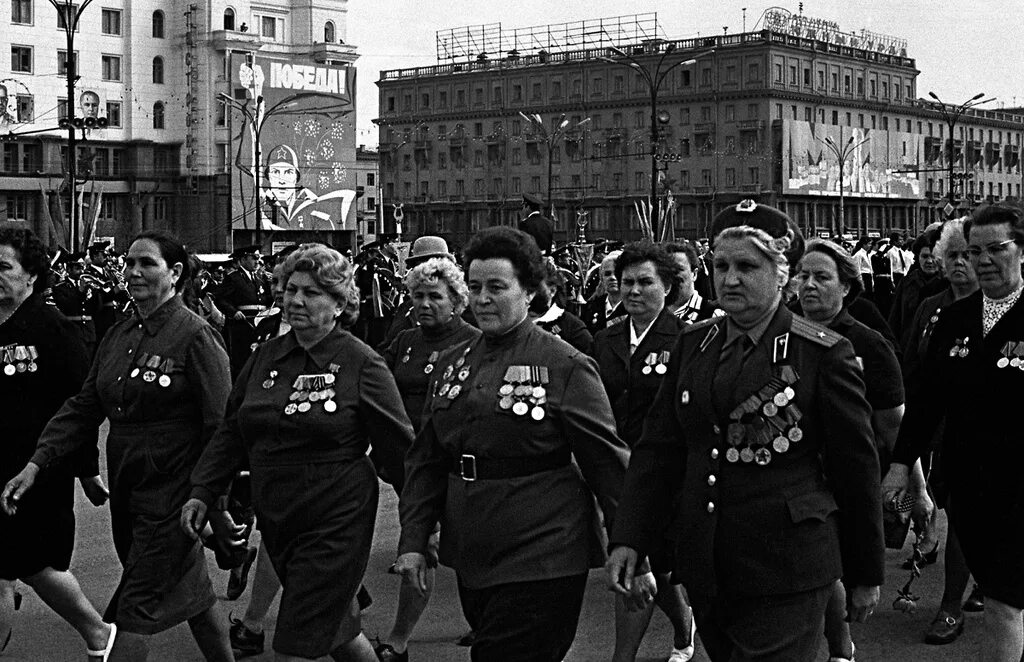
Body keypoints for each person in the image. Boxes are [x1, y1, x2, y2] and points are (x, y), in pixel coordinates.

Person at [607, 201, 884, 661]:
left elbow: (855, 468)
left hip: (787, 563)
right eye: (720, 265)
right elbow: (660, 450)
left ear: (782, 274)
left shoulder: (821, 354)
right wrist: (631, 535)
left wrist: (865, 572)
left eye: (747, 266)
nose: (730, 279)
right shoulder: (695, 344)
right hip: (707, 559)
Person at [394, 226, 630, 661]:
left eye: (497, 287)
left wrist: (631, 544)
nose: (483, 298)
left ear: (529, 291)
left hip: (545, 547)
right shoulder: (452, 362)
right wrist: (413, 540)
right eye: (476, 286)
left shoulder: (565, 364)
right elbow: (427, 459)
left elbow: (607, 465)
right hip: (474, 547)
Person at [3, 230, 235, 661]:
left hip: (176, 494)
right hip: (130, 488)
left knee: (132, 611)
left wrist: (214, 501)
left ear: (175, 273)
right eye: (129, 263)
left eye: (147, 264)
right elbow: (83, 406)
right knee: (196, 597)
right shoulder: (120, 335)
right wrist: (37, 463)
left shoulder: (196, 336)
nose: (133, 272)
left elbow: (221, 427)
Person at [182, 243, 414, 661]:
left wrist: (420, 525)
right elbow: (233, 431)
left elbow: (400, 452)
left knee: (295, 641)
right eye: (291, 289)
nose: (296, 300)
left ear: (340, 303)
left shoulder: (362, 363)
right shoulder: (266, 357)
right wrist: (203, 490)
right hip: (280, 515)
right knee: (338, 631)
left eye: (311, 293)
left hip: (336, 517)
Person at [884, 202, 1024, 662]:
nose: (983, 260)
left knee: (1005, 601)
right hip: (969, 485)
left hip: (1020, 487)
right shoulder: (953, 320)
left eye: (996, 249)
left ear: (1021, 251)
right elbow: (926, 402)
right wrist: (902, 464)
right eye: (973, 250)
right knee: (1003, 597)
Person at [794, 239, 911, 662]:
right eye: (803, 275)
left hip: (849, 478)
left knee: (836, 569)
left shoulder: (868, 344)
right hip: (797, 478)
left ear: (846, 286)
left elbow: (893, 427)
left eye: (822, 277)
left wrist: (914, 491)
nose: (808, 285)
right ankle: (839, 647)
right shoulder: (780, 335)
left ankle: (841, 648)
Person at [0, 228, 115, 661]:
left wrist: (87, 469)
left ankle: (97, 630)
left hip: (36, 467)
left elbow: (81, 405)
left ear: (31, 275)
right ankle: (98, 633)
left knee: (26, 565)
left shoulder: (52, 330)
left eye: (4, 267)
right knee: (18, 567)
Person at [591, 241, 695, 662]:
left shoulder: (689, 338)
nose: (632, 291)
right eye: (625, 282)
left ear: (667, 287)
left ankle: (684, 628)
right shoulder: (605, 338)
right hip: (619, 469)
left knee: (663, 565)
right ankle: (626, 656)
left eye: (645, 283)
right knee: (635, 560)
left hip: (670, 472)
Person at [375, 257, 481, 661]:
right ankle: (400, 639)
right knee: (423, 544)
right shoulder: (404, 342)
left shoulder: (474, 342)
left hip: (455, 464)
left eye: (435, 296)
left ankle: (476, 623)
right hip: (410, 465)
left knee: (458, 547)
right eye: (417, 296)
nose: (424, 304)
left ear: (457, 300)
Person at [899, 217, 982, 646]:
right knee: (941, 503)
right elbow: (912, 369)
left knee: (967, 517)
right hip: (937, 428)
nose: (960, 263)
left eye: (969, 255)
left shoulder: (999, 306)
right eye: (952, 255)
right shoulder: (932, 307)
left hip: (985, 433)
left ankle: (951, 607)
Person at [216, 245, 271, 377]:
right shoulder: (233, 278)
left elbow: (267, 299)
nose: (257, 261)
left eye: (258, 258)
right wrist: (233, 312)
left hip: (260, 323)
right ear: (243, 259)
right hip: (242, 324)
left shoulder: (260, 278)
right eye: (254, 258)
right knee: (242, 359)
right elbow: (220, 299)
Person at [888, 230, 942, 348]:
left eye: (933, 256)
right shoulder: (906, 282)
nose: (929, 261)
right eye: (925, 256)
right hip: (908, 347)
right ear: (918, 257)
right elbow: (894, 318)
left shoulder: (948, 284)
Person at [529, 262, 593, 354]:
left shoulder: (571, 326)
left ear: (552, 290)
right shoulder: (512, 320)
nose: (527, 291)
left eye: (535, 285)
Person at [51, 252, 101, 355]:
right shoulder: (59, 288)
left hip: (88, 332)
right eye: (77, 268)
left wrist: (95, 293)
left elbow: (97, 308)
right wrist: (81, 292)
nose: (81, 271)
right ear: (69, 270)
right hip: (71, 330)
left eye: (82, 267)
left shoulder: (89, 285)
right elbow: (67, 306)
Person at [664, 242, 720, 324]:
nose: (672, 275)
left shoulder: (713, 315)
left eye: (678, 269)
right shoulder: (653, 313)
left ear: (694, 274)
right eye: (667, 269)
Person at [581, 250, 627, 333]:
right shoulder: (591, 307)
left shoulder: (633, 306)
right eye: (607, 274)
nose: (612, 277)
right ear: (601, 278)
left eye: (617, 273)